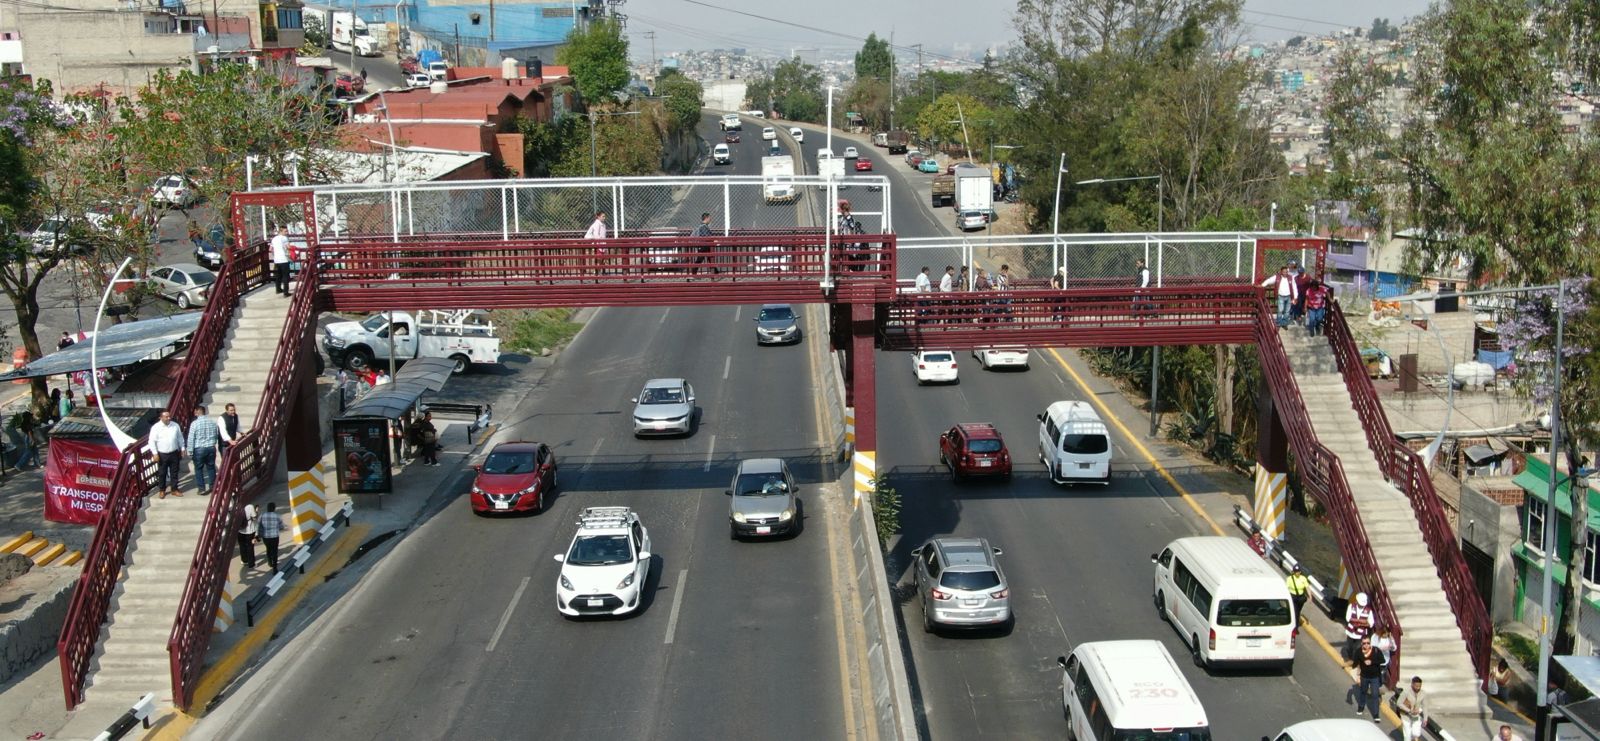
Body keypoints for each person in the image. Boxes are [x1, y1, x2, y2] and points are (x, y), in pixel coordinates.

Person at [145, 410, 184, 499]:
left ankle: (174, 489)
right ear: (161, 418)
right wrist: (155, 453)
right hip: (162, 454)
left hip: (174, 452)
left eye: (169, 416)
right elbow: (152, 441)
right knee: (162, 473)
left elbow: (180, 437)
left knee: (174, 472)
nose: (168, 418)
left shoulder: (175, 425)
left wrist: (182, 448)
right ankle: (162, 490)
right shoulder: (156, 427)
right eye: (166, 417)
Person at [186, 405, 221, 496]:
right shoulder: (212, 422)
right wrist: (213, 443)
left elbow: (191, 438)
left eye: (195, 410)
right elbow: (216, 435)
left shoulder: (195, 423)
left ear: (198, 411)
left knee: (198, 469)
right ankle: (213, 486)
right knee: (211, 467)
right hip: (211, 447)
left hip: (199, 448)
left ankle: (201, 488)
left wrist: (190, 451)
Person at [1353, 638, 1385, 722]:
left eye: (1368, 643)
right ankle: (1361, 706)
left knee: (1375, 694)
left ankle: (1376, 714)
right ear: (1361, 644)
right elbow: (1355, 663)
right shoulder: (1359, 652)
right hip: (1364, 676)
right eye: (1364, 643)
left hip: (1375, 677)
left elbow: (1383, 660)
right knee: (1363, 691)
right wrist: (1356, 673)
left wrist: (1372, 661)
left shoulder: (1376, 650)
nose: (1366, 645)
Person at [1344, 591, 1374, 661]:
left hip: (1361, 633)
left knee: (1357, 647)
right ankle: (1348, 657)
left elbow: (1371, 623)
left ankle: (1354, 660)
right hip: (1350, 631)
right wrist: (1362, 621)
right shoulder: (1351, 606)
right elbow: (1348, 618)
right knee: (1349, 646)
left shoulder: (1369, 611)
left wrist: (1362, 623)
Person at [1397, 676, 1428, 740]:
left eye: (1419, 686)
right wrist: (1409, 711)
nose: (1418, 688)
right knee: (1407, 734)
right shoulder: (1406, 692)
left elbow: (1425, 706)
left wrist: (1425, 718)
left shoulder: (1423, 693)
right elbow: (1399, 703)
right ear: (1412, 684)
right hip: (1405, 715)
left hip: (1416, 716)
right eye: (1416, 686)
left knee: (1416, 733)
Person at [258, 501, 286, 570]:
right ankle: (275, 567)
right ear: (274, 508)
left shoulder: (262, 515)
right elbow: (282, 527)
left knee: (268, 549)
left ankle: (270, 562)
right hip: (275, 536)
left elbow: (259, 525)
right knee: (275, 551)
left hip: (266, 537)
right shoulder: (277, 516)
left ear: (267, 508)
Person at [584, 211, 609, 278]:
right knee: (599, 259)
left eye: (604, 216)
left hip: (603, 244)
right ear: (598, 217)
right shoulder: (596, 224)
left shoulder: (603, 224)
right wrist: (597, 239)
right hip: (598, 245)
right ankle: (596, 273)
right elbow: (595, 235)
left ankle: (598, 272)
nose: (604, 218)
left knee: (602, 259)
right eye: (603, 216)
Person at [270, 225, 292, 295]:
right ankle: (286, 292)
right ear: (281, 231)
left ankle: (278, 289)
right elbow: (289, 247)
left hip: (277, 260)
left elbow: (270, 249)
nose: (287, 232)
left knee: (278, 275)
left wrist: (275, 255)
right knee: (285, 276)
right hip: (284, 259)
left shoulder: (274, 239)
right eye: (285, 231)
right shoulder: (284, 238)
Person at [237, 503, 258, 569]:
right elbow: (255, 517)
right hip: (249, 531)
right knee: (250, 547)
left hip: (240, 531)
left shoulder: (238, 506)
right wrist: (256, 511)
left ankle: (244, 560)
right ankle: (251, 564)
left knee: (242, 546)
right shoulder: (250, 506)